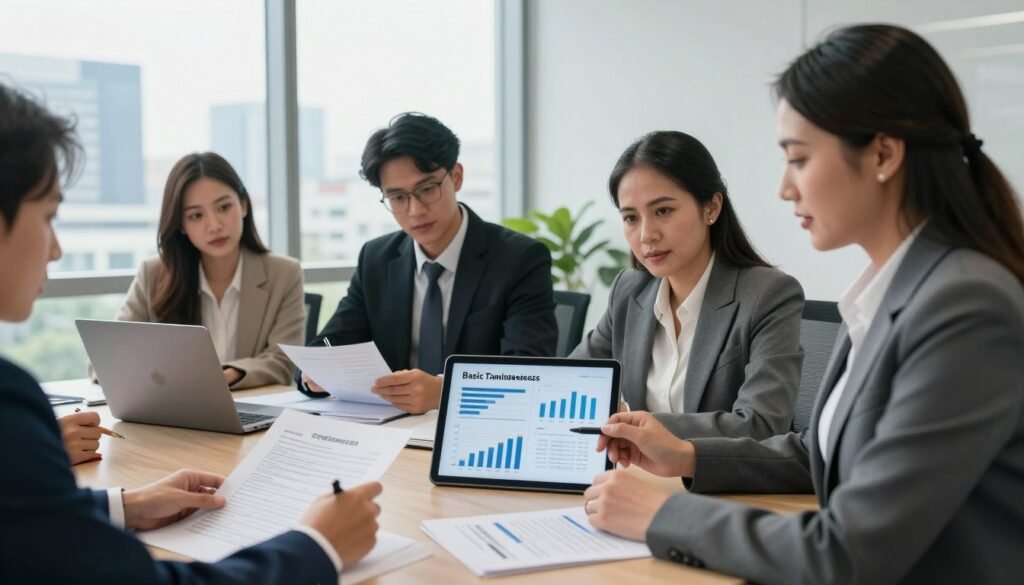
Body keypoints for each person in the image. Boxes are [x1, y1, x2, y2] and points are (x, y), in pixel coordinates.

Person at [582, 24, 1024, 585]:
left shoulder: (965, 306)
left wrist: (663, 515)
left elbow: (847, 552)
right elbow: (814, 455)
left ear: (884, 153)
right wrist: (688, 457)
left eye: (798, 159)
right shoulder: (893, 290)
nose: (784, 189)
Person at [0, 82, 382, 584]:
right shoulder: (155, 275)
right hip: (167, 436)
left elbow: (287, 358)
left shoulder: (282, 271)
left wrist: (127, 505)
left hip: (249, 432)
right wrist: (317, 546)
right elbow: (106, 359)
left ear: (244, 206)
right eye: (48, 217)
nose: (57, 251)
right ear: (180, 225)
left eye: (224, 207)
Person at [300, 113, 558, 413]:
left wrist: (445, 391)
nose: (415, 210)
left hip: (480, 427)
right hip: (392, 432)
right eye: (397, 197)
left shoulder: (519, 260)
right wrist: (313, 376)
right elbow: (329, 346)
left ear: (457, 177)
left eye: (426, 189)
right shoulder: (377, 259)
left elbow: (529, 371)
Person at [569, 131, 804, 439]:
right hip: (639, 479)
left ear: (711, 208)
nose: (646, 235)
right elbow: (571, 381)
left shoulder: (768, 295)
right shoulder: (629, 290)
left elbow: (761, 425)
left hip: (720, 485)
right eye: (631, 218)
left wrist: (643, 426)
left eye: (663, 211)